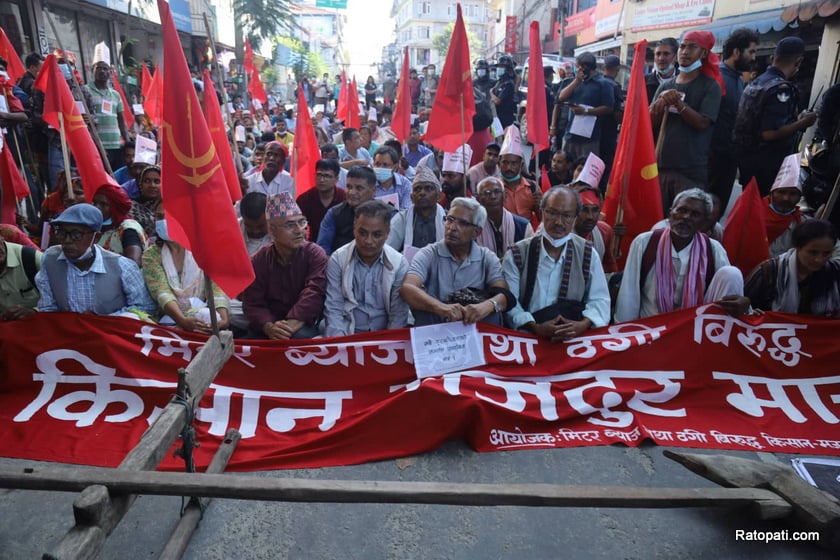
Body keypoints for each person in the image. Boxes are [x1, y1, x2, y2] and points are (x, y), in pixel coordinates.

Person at [614, 189, 749, 322]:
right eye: (682, 210)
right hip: (651, 327)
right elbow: (629, 294)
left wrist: (745, 307)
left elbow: (730, 288)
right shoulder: (645, 242)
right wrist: (623, 335)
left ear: (704, 223)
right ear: (670, 214)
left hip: (693, 328)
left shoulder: (713, 249)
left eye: (695, 214)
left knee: (732, 273)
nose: (686, 217)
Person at [503, 186, 610, 340]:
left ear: (575, 217)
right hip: (527, 337)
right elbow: (510, 303)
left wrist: (583, 324)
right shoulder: (517, 254)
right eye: (552, 213)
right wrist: (534, 327)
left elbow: (600, 299)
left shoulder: (587, 254)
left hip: (572, 338)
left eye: (566, 215)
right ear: (542, 211)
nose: (558, 222)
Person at [401, 197, 512, 326]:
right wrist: (441, 307)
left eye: (463, 223)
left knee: (493, 314)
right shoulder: (429, 253)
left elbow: (504, 296)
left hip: (473, 325)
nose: (452, 228)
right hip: (438, 328)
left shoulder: (486, 257)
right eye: (450, 220)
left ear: (476, 232)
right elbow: (408, 288)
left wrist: (486, 306)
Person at [35, 204, 156, 316]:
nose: (67, 240)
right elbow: (47, 308)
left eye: (76, 234)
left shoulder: (122, 267)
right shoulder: (50, 260)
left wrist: (103, 320)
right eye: (61, 233)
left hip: (110, 334)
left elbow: (145, 307)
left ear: (96, 237)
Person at [650, 31, 723, 212]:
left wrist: (679, 103)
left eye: (692, 47)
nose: (685, 51)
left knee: (685, 219)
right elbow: (650, 123)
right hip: (661, 166)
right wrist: (659, 104)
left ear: (704, 53)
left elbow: (702, 123)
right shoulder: (666, 85)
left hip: (690, 170)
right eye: (683, 46)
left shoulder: (710, 86)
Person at [735, 37, 817, 196]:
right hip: (766, 164)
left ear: (773, 57)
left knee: (749, 207)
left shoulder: (757, 81)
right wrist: (803, 123)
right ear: (799, 61)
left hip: (747, 160)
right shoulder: (781, 88)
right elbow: (769, 133)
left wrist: (796, 119)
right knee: (760, 211)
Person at [242, 193, 328, 339]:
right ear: (272, 230)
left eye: (301, 222)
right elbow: (252, 303)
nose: (299, 230)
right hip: (269, 326)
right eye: (290, 225)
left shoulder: (315, 254)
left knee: (299, 337)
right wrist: (268, 326)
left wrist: (288, 327)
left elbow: (314, 293)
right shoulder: (259, 260)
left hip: (301, 323)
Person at [324, 200, 409, 336]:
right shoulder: (338, 259)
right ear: (354, 229)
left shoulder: (399, 263)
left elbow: (398, 315)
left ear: (387, 232)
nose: (368, 241)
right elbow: (334, 308)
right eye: (362, 233)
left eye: (377, 235)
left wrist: (388, 345)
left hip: (384, 335)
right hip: (348, 332)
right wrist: (340, 345)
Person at [143, 202, 230, 333]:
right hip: (167, 316)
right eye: (160, 217)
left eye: (170, 217)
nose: (164, 222)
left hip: (200, 310)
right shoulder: (151, 255)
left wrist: (223, 319)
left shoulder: (203, 249)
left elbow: (216, 286)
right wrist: (182, 320)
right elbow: (162, 292)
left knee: (208, 318)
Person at [745, 220, 840, 317]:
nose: (819, 259)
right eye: (813, 252)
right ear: (798, 247)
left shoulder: (834, 273)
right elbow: (745, 307)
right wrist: (752, 313)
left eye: (826, 253)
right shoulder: (768, 272)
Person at [709, 28, 759, 209]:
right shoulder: (718, 78)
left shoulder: (738, 79)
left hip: (728, 157)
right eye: (751, 51)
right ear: (736, 52)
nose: (754, 58)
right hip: (714, 158)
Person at [552, 51, 615, 160]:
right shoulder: (573, 81)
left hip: (589, 139)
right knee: (565, 167)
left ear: (585, 67)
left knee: (585, 170)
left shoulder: (603, 84)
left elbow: (609, 108)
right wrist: (577, 81)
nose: (576, 69)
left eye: (578, 67)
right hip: (570, 135)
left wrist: (586, 111)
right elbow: (561, 97)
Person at [317, 165, 378, 255]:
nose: (352, 192)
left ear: (373, 190)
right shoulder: (334, 213)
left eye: (359, 188)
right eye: (349, 187)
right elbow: (323, 249)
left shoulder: (387, 214)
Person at [387, 166, 446, 254]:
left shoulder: (447, 219)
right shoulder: (403, 219)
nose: (422, 193)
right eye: (417, 189)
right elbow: (388, 250)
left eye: (428, 188)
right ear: (411, 198)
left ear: (439, 196)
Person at [475, 176, 533, 258]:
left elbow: (529, 257)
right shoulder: (473, 227)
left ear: (505, 196)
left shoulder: (523, 226)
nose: (493, 197)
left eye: (497, 191)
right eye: (487, 193)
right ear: (478, 199)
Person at [92, 183, 148, 267]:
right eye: (95, 203)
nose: (97, 207)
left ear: (115, 207)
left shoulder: (128, 229)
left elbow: (133, 263)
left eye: (103, 204)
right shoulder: (95, 227)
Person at [88, 60, 129, 172]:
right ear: (93, 71)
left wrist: (128, 142)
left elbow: (121, 121)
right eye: (99, 68)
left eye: (105, 68)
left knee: (118, 177)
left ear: (110, 72)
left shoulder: (116, 94)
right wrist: (95, 144)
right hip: (98, 146)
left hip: (116, 145)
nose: (102, 71)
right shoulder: (86, 91)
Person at [296, 159, 346, 242]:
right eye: (319, 175)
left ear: (336, 179)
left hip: (340, 244)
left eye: (327, 176)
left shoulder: (344, 198)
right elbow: (299, 227)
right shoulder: (304, 199)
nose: (322, 180)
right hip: (314, 244)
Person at [498, 126, 540, 221]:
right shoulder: (494, 188)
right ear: (499, 163)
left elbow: (543, 220)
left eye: (514, 163)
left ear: (521, 165)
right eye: (505, 162)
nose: (509, 167)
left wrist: (541, 206)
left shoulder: (533, 187)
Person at [574, 188, 619, 274]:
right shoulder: (562, 234)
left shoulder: (604, 231)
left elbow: (610, 267)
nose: (590, 216)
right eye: (584, 210)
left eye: (595, 210)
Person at [0, 239, 41, 321]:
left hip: (40, 325)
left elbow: (63, 300)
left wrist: (34, 311)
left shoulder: (31, 258)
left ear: (2, 237)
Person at [129, 165, 162, 238]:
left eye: (157, 181)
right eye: (147, 181)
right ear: (140, 184)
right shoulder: (130, 207)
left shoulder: (169, 208)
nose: (152, 185)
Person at [645, 38, 679, 103]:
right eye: (658, 54)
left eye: (666, 54)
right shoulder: (644, 82)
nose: (661, 58)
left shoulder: (683, 81)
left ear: (676, 57)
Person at [238, 192, 272, 256]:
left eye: (261, 226)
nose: (255, 231)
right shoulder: (233, 232)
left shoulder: (281, 232)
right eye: (249, 226)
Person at [490, 55, 517, 129]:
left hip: (505, 119)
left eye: (502, 66)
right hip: (497, 116)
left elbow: (497, 101)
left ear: (508, 69)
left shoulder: (508, 84)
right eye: (498, 66)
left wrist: (491, 93)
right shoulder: (500, 81)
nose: (499, 68)